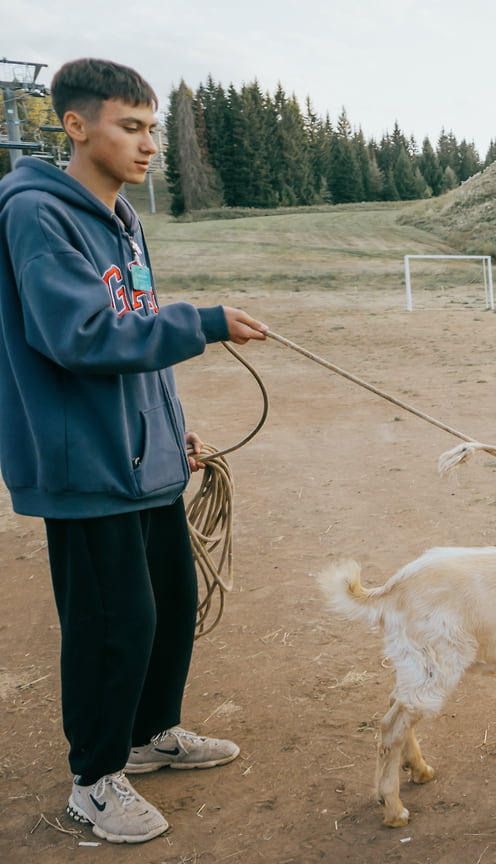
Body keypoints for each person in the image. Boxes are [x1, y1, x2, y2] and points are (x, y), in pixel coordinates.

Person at [0, 58, 269, 843]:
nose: (149, 143)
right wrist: (205, 320)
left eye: (153, 127)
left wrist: (172, 417)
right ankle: (93, 780)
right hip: (82, 463)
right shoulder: (35, 214)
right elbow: (78, 335)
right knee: (112, 622)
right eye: (131, 126)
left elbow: (135, 335)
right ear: (77, 127)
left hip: (142, 455)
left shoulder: (123, 217)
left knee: (168, 606)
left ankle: (152, 736)